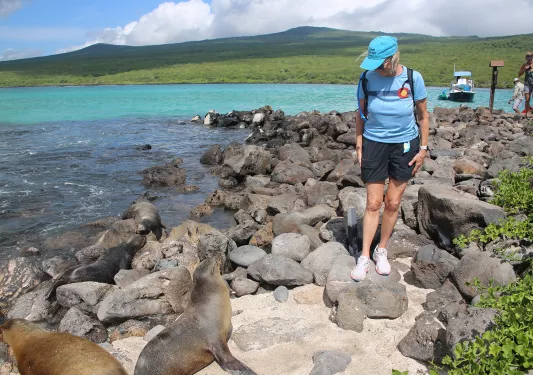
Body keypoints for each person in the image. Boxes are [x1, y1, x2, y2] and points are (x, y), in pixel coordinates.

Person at [350, 36, 429, 281]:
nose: (376, 68)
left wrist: (423, 149)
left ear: (394, 57)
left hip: (405, 145)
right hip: (374, 143)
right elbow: (361, 113)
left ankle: (381, 249)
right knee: (374, 203)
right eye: (372, 63)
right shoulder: (366, 79)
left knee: (393, 202)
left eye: (380, 64)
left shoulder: (413, 78)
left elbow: (424, 116)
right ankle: (364, 256)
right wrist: (359, 142)